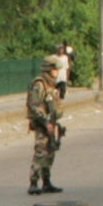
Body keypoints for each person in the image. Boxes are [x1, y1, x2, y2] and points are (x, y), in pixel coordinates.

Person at [24, 53, 67, 196]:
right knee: (41, 152)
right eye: (55, 69)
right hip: (42, 123)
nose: (57, 72)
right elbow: (34, 106)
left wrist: (60, 93)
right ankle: (33, 183)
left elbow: (54, 106)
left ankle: (46, 182)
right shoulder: (40, 84)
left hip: (51, 122)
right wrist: (45, 122)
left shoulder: (51, 85)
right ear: (48, 69)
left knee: (50, 153)